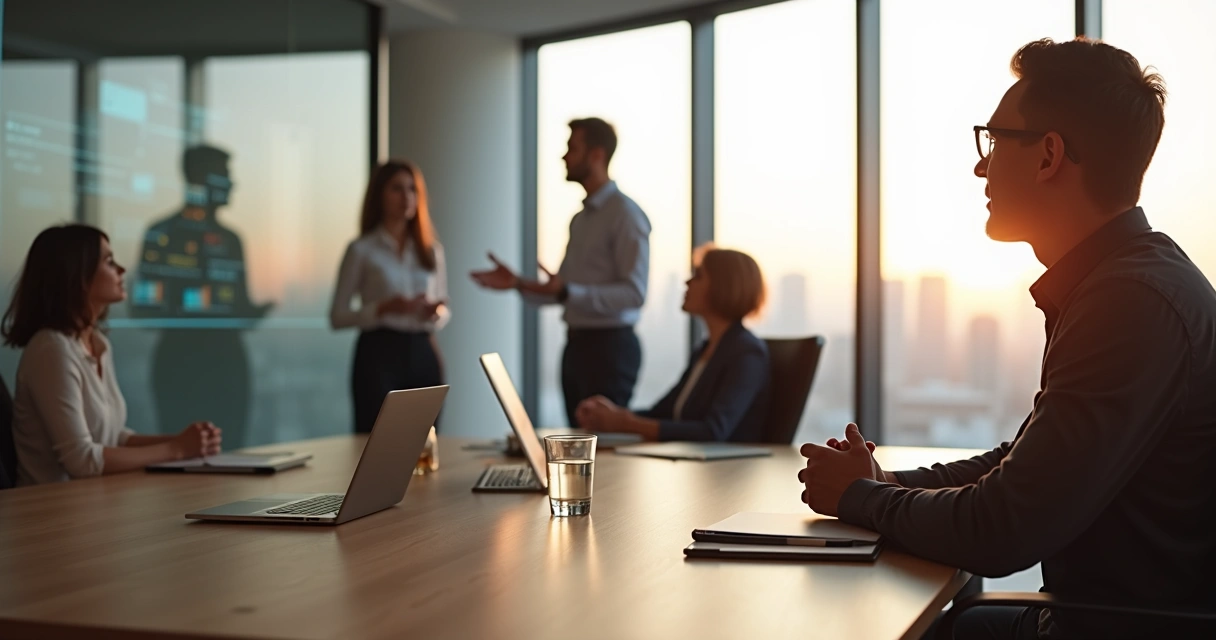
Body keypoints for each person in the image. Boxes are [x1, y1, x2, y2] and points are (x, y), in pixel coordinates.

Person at [797, 38, 1216, 640]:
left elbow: (1003, 527)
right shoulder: (1121, 282)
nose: (980, 165)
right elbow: (1020, 466)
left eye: (993, 141)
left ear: (1048, 156)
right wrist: (884, 485)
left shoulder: (1131, 303)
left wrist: (861, 498)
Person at [3, 225, 222, 486]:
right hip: (50, 514)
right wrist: (176, 450)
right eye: (108, 261)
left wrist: (184, 442)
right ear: (77, 276)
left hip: (91, 504)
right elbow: (82, 460)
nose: (121, 270)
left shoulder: (98, 345)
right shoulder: (51, 349)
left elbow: (113, 438)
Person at [471, 117, 651, 428]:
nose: (564, 156)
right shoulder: (581, 220)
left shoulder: (625, 214)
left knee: (603, 450)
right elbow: (561, 291)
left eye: (572, 148)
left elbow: (634, 294)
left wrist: (567, 291)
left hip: (610, 351)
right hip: (577, 348)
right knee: (578, 445)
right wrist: (517, 283)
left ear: (596, 155)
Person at [131, 144, 273, 449]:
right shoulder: (160, 235)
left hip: (226, 365)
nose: (233, 184)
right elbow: (142, 310)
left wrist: (252, 313)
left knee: (230, 456)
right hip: (182, 365)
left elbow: (240, 311)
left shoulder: (231, 241)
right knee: (182, 463)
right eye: (224, 175)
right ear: (200, 178)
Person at [576, 246, 770, 442]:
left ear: (724, 285)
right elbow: (664, 412)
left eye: (698, 276)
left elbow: (713, 431)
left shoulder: (747, 353)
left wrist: (624, 423)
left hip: (728, 469)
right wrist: (610, 416)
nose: (687, 282)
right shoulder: (706, 349)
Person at [330, 160, 448, 434]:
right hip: (378, 354)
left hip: (423, 350)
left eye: (412, 189)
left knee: (425, 442)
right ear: (379, 195)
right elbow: (337, 317)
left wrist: (435, 312)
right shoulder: (361, 250)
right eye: (397, 189)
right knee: (377, 441)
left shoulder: (432, 251)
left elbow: (444, 307)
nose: (406, 197)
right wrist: (382, 308)